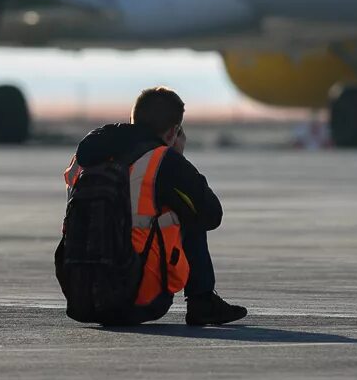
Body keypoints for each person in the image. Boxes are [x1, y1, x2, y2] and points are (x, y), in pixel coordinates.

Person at [72, 86, 247, 325]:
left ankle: (202, 301)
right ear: (173, 131)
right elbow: (212, 215)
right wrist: (178, 159)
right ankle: (202, 301)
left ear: (132, 121)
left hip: (80, 296)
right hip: (138, 296)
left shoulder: (88, 156)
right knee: (187, 208)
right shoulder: (163, 161)